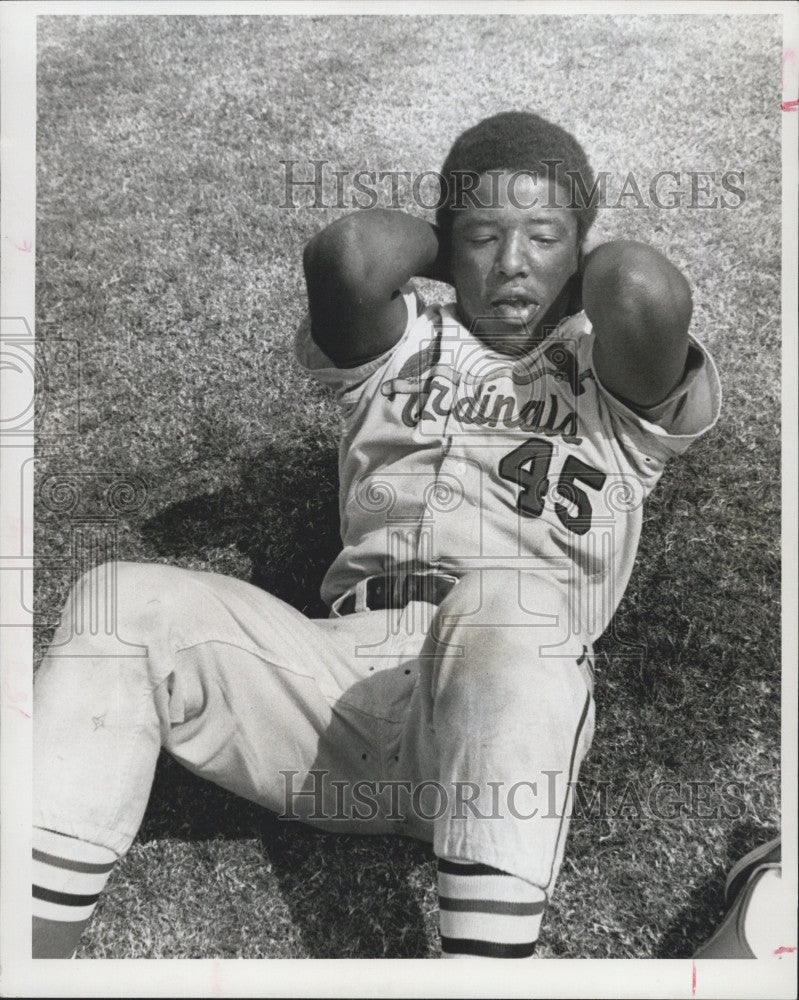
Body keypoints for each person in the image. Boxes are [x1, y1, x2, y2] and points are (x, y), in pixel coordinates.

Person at [32, 111, 721, 959]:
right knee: (116, 600)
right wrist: (471, 240)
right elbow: (350, 255)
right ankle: (24, 955)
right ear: (441, 239)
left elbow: (644, 287)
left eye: (543, 237)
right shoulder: (403, 346)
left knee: (508, 605)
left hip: (495, 726)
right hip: (331, 700)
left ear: (579, 251)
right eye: (481, 239)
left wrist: (545, 248)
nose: (511, 262)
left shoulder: (614, 388)